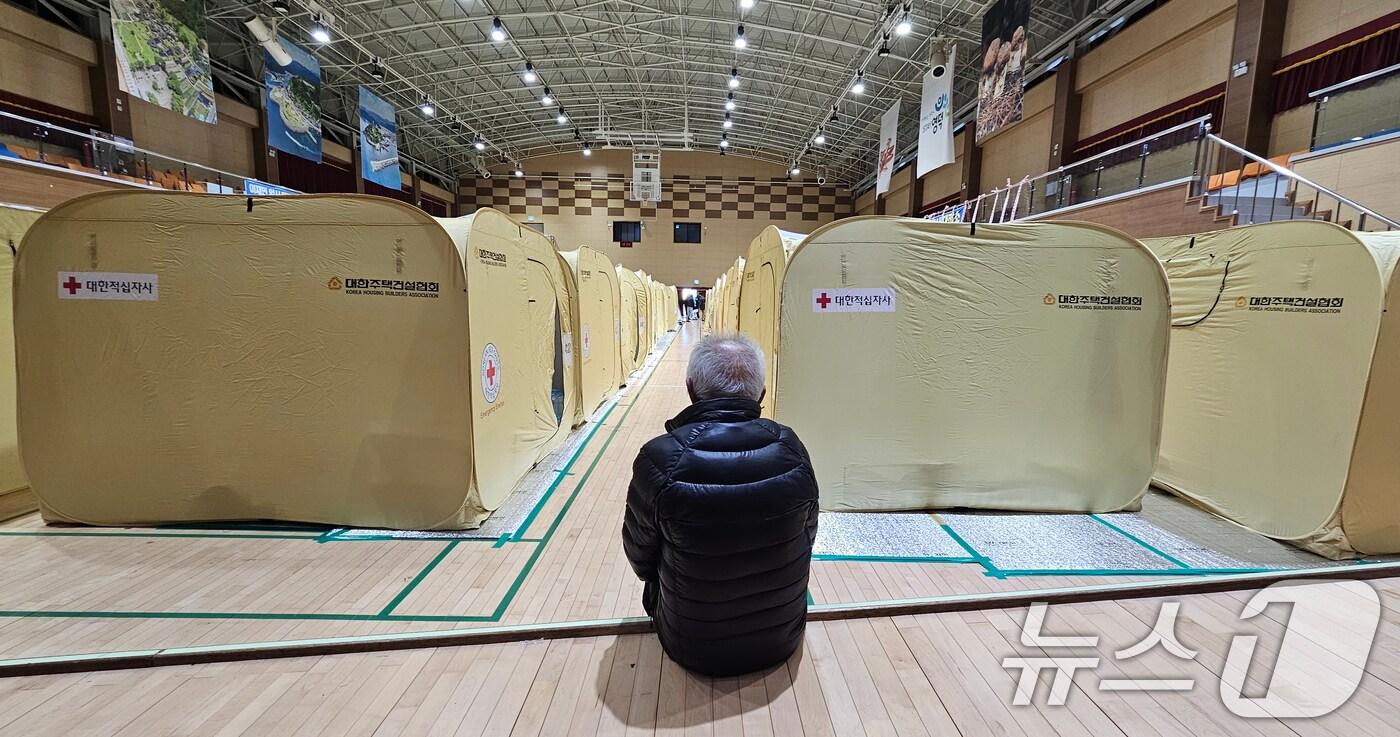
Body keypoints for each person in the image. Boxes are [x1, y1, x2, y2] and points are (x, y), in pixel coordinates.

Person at [622, 334, 819, 676]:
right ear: (761, 394)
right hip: (781, 638)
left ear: (691, 389)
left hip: (694, 647)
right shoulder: (792, 448)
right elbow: (808, 535)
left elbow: (640, 557)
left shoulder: (661, 458)